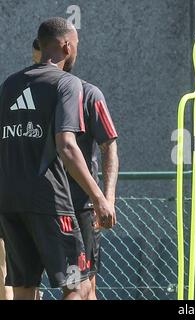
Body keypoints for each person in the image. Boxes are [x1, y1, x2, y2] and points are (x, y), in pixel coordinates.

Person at [0, 17, 115, 300]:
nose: (76, 50)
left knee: (25, 287)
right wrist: (99, 197)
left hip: (10, 204)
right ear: (65, 46)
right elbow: (67, 146)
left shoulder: (9, 85)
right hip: (50, 203)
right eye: (75, 45)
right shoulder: (68, 84)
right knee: (78, 285)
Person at [32, 38, 119, 300]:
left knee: (84, 285)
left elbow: (109, 147)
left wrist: (106, 199)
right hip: (39, 205)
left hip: (78, 205)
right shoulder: (27, 94)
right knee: (42, 284)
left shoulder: (88, 93)